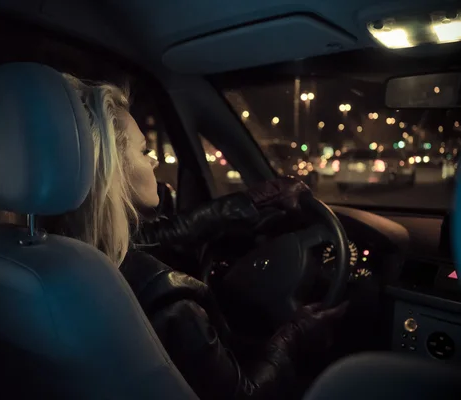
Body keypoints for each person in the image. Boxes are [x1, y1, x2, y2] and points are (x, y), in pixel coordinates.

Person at [40, 75, 347, 400]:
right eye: (145, 152)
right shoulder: (167, 299)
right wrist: (292, 338)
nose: (155, 161)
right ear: (113, 167)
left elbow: (159, 235)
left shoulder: (52, 253)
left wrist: (258, 198)